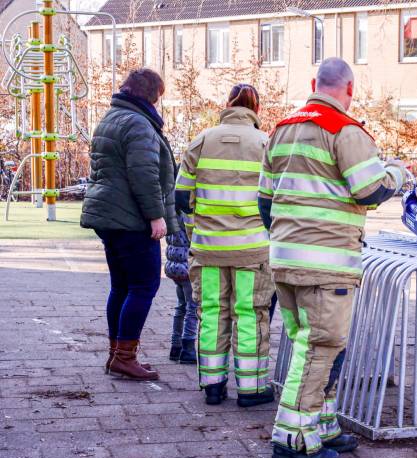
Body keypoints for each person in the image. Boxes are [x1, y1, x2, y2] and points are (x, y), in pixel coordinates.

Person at [260, 57, 404, 458]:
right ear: (350, 89)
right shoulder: (345, 130)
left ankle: (322, 424)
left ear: (313, 83)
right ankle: (292, 438)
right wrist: (395, 173)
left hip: (285, 257)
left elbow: (264, 201)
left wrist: (286, 239)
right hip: (327, 261)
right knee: (320, 347)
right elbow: (369, 190)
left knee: (310, 343)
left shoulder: (281, 130)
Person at [175, 84, 274, 408]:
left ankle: (213, 386)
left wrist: (196, 235)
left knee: (212, 315)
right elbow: (275, 200)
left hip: (209, 249)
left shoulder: (202, 140)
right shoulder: (264, 143)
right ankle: (252, 389)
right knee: (249, 315)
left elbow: (182, 198)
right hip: (252, 250)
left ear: (227, 105)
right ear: (255, 108)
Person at [80, 68, 178, 381]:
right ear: (152, 95)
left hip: (109, 215)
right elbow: (143, 174)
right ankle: (124, 357)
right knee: (145, 285)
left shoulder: (112, 117)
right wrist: (156, 215)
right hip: (131, 219)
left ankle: (116, 355)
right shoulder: (138, 123)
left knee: (121, 285)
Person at [165, 212, 197, 365]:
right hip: (187, 266)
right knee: (193, 308)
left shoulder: (170, 212)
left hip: (175, 267)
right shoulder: (187, 214)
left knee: (181, 307)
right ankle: (188, 348)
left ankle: (175, 346)